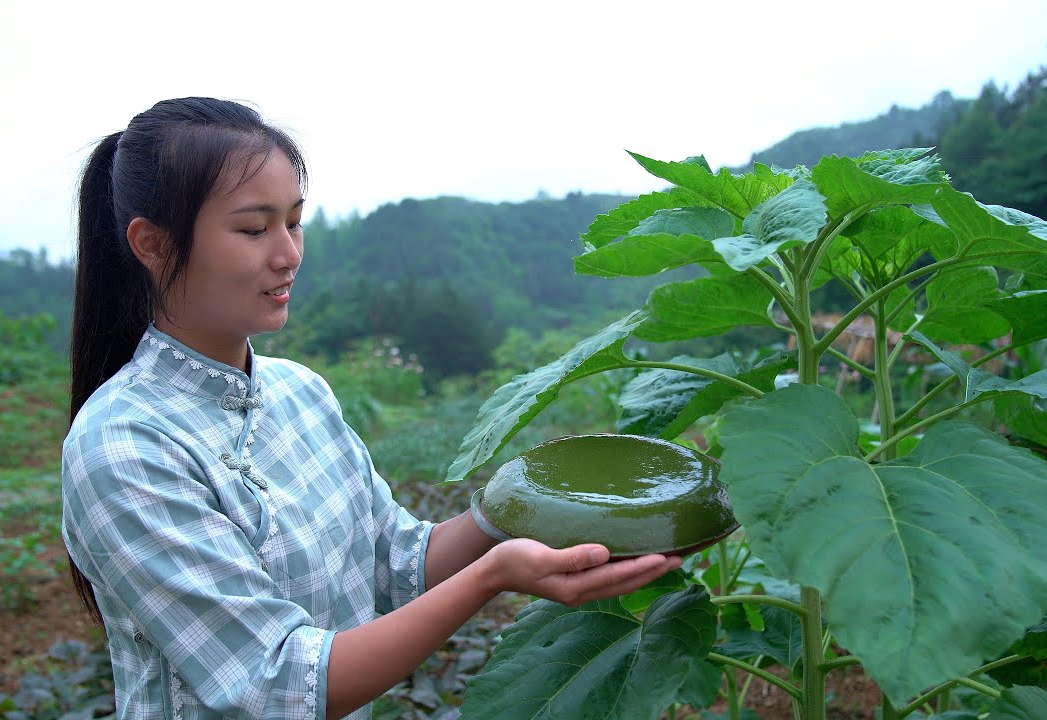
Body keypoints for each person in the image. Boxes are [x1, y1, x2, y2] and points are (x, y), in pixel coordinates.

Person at [60, 97, 681, 720]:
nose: (288, 253)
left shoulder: (300, 392)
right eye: (254, 229)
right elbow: (279, 685)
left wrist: (520, 498)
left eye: (294, 222)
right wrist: (493, 576)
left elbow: (396, 564)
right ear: (153, 244)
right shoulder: (125, 447)